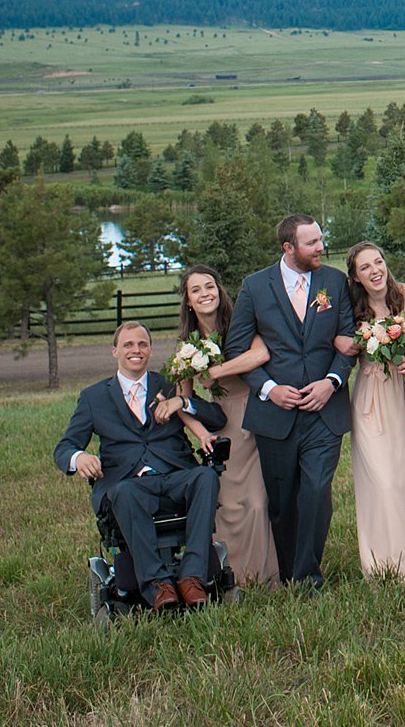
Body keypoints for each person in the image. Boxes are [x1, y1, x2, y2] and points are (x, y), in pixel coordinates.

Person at [223, 215, 356, 589]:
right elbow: (236, 348)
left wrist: (331, 382)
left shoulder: (334, 282)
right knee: (282, 500)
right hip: (275, 414)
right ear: (288, 248)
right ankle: (287, 573)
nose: (320, 248)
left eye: (320, 240)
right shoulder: (255, 286)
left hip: (324, 410)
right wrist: (268, 389)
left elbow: (348, 340)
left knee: (316, 491)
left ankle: (307, 576)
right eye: (311, 243)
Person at [54, 322, 223, 610]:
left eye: (142, 344)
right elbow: (64, 448)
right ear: (115, 351)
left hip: (174, 474)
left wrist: (182, 401)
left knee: (205, 477)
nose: (136, 350)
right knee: (125, 492)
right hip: (128, 483)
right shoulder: (94, 397)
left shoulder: (168, 385)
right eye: (129, 345)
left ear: (150, 351)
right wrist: (79, 457)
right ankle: (158, 584)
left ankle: (192, 577)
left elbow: (217, 419)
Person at [174, 266, 279, 586]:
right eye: (196, 290)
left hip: (257, 411)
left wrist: (217, 372)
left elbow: (260, 355)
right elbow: (181, 401)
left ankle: (267, 575)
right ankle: (232, 575)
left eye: (210, 286)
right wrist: (202, 433)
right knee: (229, 504)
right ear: (189, 301)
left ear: (220, 291)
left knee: (259, 502)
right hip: (221, 422)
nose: (205, 293)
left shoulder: (240, 323)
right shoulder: (186, 347)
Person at [341, 242, 405, 581]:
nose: (375, 270)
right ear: (355, 276)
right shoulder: (350, 311)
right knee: (382, 482)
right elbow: (336, 347)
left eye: (378, 262)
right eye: (365, 267)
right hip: (371, 400)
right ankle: (381, 564)